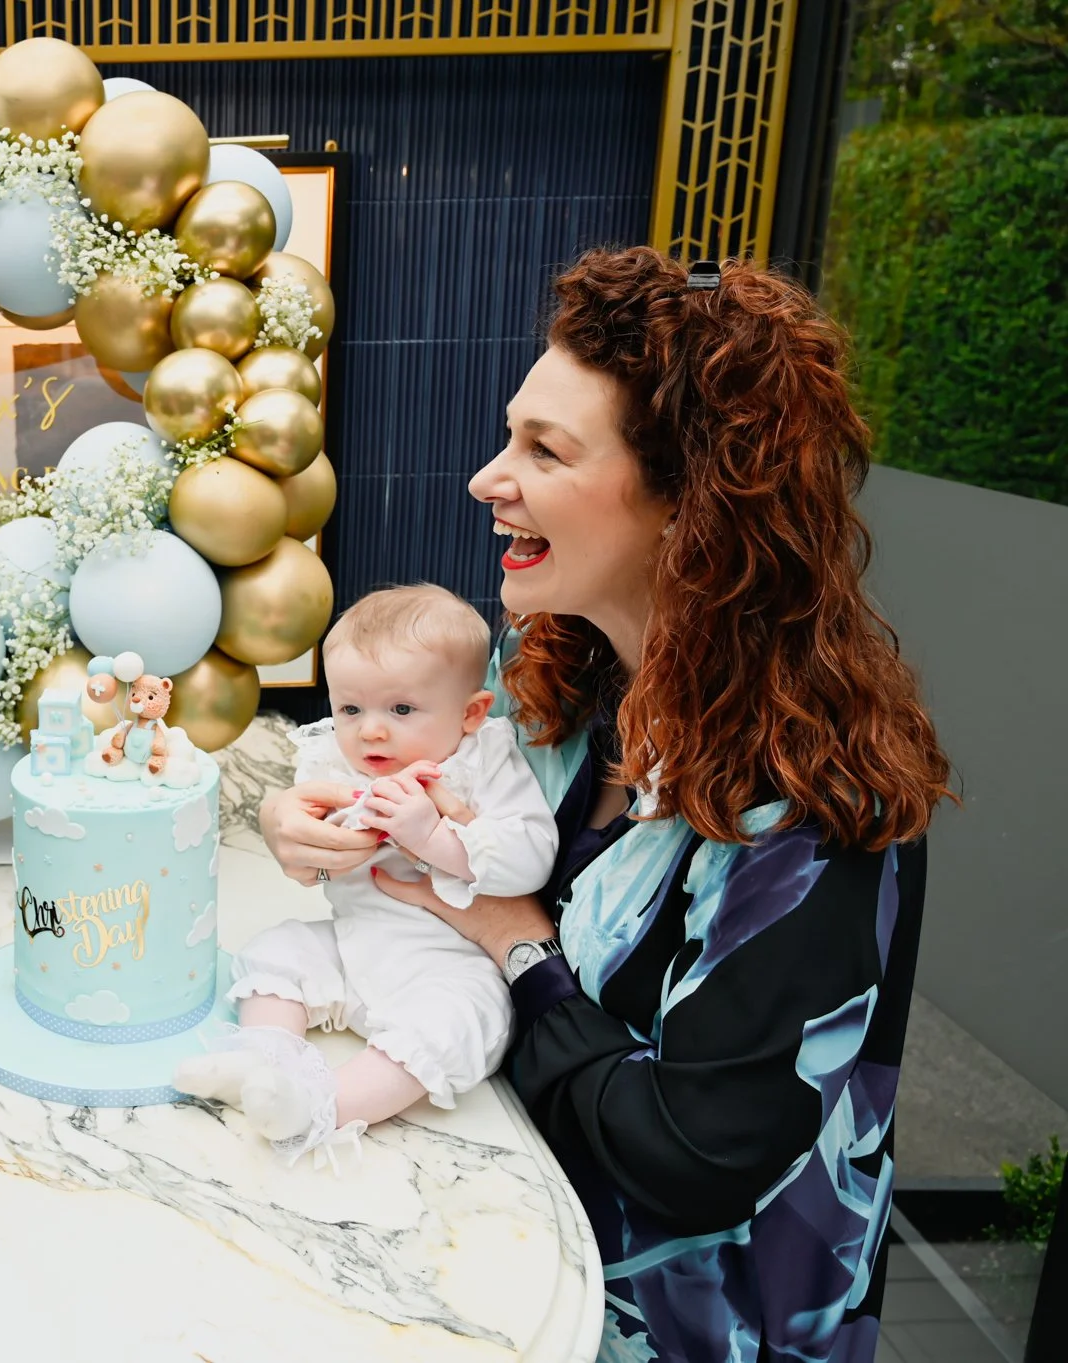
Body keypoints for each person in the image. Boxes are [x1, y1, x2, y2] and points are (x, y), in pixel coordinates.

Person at [256, 248, 947, 1361]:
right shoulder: (566, 680)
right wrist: (304, 824)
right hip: (521, 1252)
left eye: (544, 449)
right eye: (507, 435)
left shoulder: (812, 804)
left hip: (695, 1328)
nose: (486, 477)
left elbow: (690, 1150)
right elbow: (417, 802)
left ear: (691, 501)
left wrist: (518, 948)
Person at [177, 585, 556, 1167]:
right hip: (354, 947)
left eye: (401, 710)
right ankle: (262, 1057)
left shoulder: (484, 761)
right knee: (276, 949)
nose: (370, 731)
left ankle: (321, 1103)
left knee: (457, 1026)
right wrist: (322, 829)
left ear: (472, 712)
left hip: (449, 964)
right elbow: (315, 838)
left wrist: (432, 837)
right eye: (351, 709)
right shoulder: (335, 758)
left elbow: (531, 854)